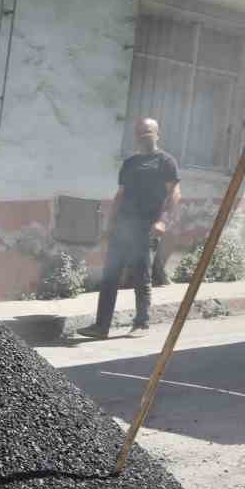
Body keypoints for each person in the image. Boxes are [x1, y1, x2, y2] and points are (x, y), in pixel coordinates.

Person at [78, 118, 181, 339]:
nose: (144, 136)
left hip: (147, 228)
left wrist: (163, 220)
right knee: (110, 277)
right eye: (140, 133)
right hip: (123, 227)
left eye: (148, 132)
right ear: (135, 136)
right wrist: (109, 224)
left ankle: (141, 323)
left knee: (141, 276)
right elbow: (120, 195)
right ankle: (101, 327)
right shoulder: (130, 163)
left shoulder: (166, 161)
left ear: (157, 134)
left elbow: (174, 193)